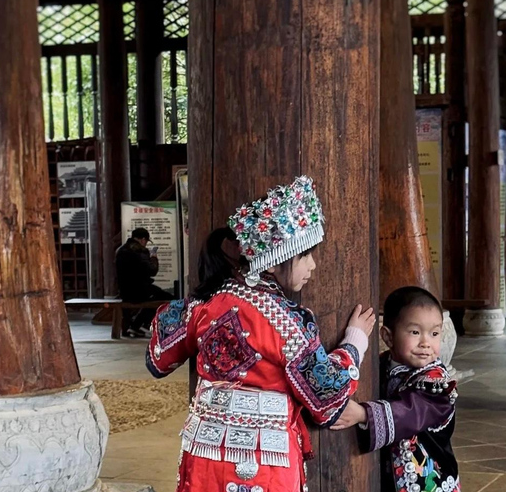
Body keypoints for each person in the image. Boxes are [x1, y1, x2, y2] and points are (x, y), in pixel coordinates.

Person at [145, 176, 377, 492]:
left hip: (203, 459)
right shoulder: (289, 323)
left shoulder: (205, 303)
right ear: (275, 259)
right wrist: (354, 342)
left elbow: (158, 360)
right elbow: (328, 399)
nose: (312, 266)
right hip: (264, 464)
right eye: (305, 255)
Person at [331, 287, 460, 492]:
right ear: (388, 337)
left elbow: (412, 412)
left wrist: (364, 414)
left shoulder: (436, 383)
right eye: (415, 332)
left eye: (434, 333)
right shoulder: (381, 366)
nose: (426, 343)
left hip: (430, 481)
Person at [115, 227, 173, 337]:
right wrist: (154, 257)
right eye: (146, 241)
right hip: (140, 290)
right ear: (142, 239)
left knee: (156, 294)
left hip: (124, 291)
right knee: (167, 298)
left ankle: (132, 326)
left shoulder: (120, 250)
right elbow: (152, 271)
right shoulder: (140, 250)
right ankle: (138, 325)